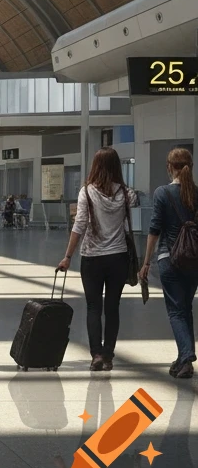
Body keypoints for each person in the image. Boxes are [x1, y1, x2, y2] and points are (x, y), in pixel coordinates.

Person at [57, 147, 137, 372]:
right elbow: (132, 209)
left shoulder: (87, 192)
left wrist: (67, 256)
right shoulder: (126, 193)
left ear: (96, 166)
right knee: (113, 308)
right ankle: (109, 355)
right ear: (116, 166)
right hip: (118, 257)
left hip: (92, 258)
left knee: (93, 307)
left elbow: (80, 225)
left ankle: (96, 355)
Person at [140, 147, 198, 379]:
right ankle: (184, 358)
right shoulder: (196, 193)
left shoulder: (162, 193)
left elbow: (154, 230)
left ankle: (187, 356)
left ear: (169, 167)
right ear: (190, 167)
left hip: (169, 259)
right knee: (185, 308)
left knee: (176, 311)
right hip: (194, 261)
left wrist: (146, 262)